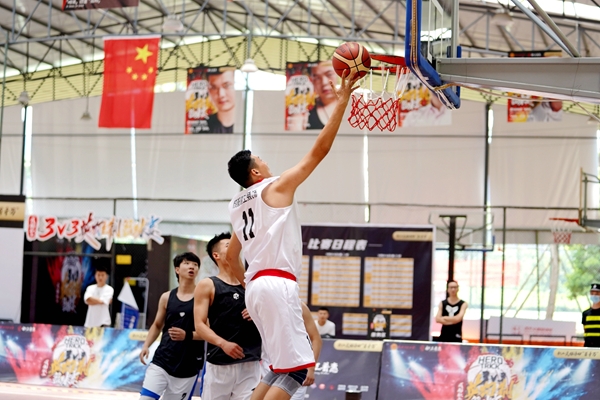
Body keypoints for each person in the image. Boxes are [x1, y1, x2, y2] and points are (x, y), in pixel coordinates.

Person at [225, 70, 359, 400]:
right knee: (297, 369)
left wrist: (248, 285)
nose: (266, 162)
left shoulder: (236, 205)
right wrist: (342, 102)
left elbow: (230, 256)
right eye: (261, 160)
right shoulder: (275, 186)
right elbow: (319, 151)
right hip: (276, 283)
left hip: (256, 288)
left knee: (277, 368)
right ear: (255, 172)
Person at [194, 232, 262, 400]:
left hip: (250, 361)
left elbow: (273, 315)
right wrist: (223, 343)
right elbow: (199, 325)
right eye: (227, 245)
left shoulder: (252, 284)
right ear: (216, 255)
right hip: (220, 361)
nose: (233, 246)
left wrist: (258, 313)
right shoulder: (208, 285)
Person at [139, 252, 205, 400]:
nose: (192, 267)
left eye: (195, 265)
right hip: (162, 360)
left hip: (188, 366)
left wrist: (187, 335)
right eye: (187, 263)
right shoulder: (166, 297)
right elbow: (157, 325)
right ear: (177, 269)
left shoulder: (202, 298)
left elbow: (208, 331)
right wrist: (146, 345)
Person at [256, 302, 322, 400]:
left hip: (296, 368)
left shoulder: (299, 305)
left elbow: (316, 339)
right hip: (270, 368)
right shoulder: (259, 304)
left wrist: (311, 369)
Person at [307, 61, 339, 130]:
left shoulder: (353, 106)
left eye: (329, 74)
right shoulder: (307, 111)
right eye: (317, 78)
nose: (324, 82)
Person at [207, 68, 236, 133]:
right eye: (214, 87)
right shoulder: (203, 127)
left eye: (227, 85)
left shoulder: (248, 123)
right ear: (208, 91)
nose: (221, 94)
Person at [582, 283, 600, 348]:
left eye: (597, 293)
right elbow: (585, 330)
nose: (594, 295)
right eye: (592, 293)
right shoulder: (585, 313)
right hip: (588, 347)